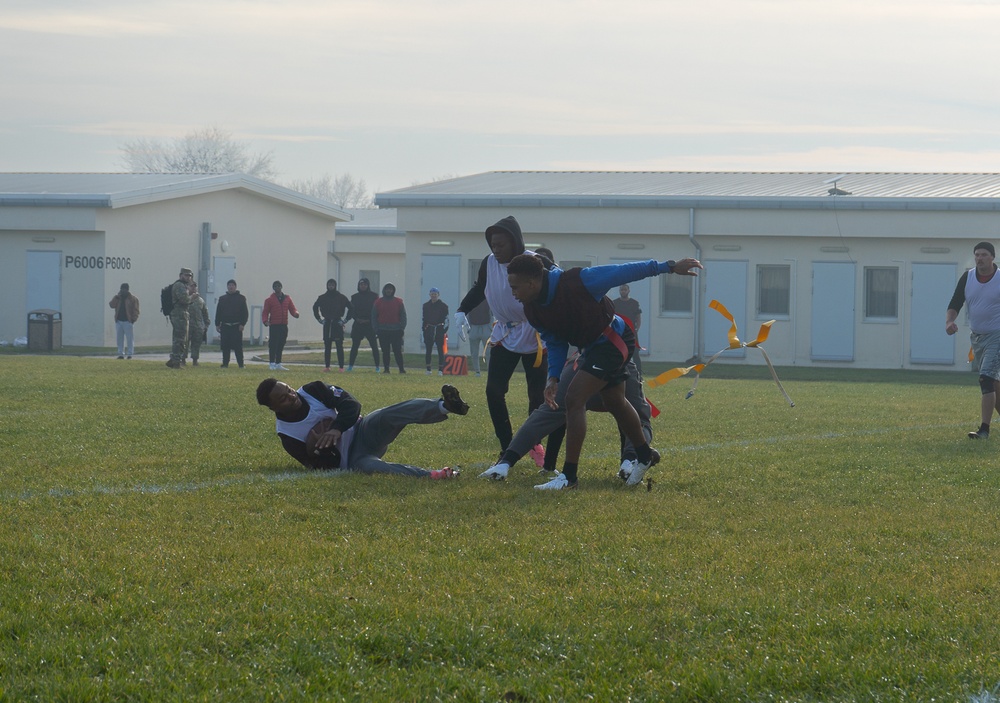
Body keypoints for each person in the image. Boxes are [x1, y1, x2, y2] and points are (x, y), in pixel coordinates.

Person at [506, 252, 703, 489]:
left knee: (573, 398)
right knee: (614, 401)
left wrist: (669, 267)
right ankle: (643, 455)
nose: (512, 293)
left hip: (614, 340)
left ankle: (569, 477)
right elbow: (556, 342)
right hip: (593, 347)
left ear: (532, 283)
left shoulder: (580, 280)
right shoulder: (532, 309)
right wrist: (554, 377)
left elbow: (625, 271)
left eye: (515, 287)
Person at [454, 216, 550, 464]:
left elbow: (558, 282)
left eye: (501, 245)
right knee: (493, 392)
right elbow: (479, 288)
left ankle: (534, 443)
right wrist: (461, 310)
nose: (496, 250)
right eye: (492, 245)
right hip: (504, 334)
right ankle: (507, 447)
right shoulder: (489, 263)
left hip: (535, 334)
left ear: (515, 243)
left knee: (537, 396)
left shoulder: (535, 261)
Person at [480, 355, 652, 481]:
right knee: (554, 409)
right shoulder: (546, 313)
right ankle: (631, 460)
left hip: (598, 361)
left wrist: (555, 375)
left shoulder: (557, 311)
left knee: (552, 411)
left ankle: (630, 460)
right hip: (595, 361)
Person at [256, 378, 468, 478]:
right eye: (283, 399)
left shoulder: (313, 390)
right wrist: (320, 449)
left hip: (363, 430)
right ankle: (433, 475)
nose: (292, 397)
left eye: (290, 390)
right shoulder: (288, 435)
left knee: (388, 414)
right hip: (353, 459)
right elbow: (320, 468)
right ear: (272, 408)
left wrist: (336, 428)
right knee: (370, 467)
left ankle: (444, 406)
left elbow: (351, 404)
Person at [946, 241, 1000, 439]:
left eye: (984, 254)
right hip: (977, 337)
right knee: (993, 384)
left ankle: (984, 430)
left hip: (997, 336)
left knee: (986, 378)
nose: (979, 258)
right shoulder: (967, 277)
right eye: (977, 255)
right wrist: (949, 321)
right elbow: (955, 302)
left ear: (992, 257)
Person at [313, 278, 352, 372]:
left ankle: (341, 367)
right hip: (327, 324)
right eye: (329, 285)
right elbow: (315, 307)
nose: (331, 286)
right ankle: (327, 366)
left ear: (335, 286)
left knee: (339, 346)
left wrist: (345, 320)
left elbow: (351, 308)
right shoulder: (322, 297)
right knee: (327, 346)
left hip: (337, 323)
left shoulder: (341, 297)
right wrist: (319, 319)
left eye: (332, 285)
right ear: (327, 286)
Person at [262, 280, 300, 371]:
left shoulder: (287, 298)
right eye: (275, 287)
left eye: (278, 286)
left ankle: (278, 363)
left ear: (281, 287)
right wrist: (265, 321)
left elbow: (292, 309)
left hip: (283, 325)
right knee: (273, 345)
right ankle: (272, 363)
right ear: (273, 288)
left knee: (281, 344)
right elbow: (265, 312)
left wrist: (295, 314)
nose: (277, 288)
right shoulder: (269, 300)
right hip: (274, 325)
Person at [372, 282, 406, 374]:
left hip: (396, 330)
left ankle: (401, 369)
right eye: (387, 289)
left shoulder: (399, 302)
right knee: (385, 352)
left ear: (393, 290)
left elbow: (403, 315)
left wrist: (402, 328)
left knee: (397, 351)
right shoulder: (378, 302)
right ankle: (386, 369)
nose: (388, 291)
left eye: (390, 289)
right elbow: (374, 316)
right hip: (383, 330)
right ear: (384, 290)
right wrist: (376, 329)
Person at [347, 277, 380, 372]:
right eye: (361, 284)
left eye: (365, 284)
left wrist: (369, 320)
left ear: (368, 285)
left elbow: (376, 311)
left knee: (374, 346)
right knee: (354, 346)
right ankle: (350, 366)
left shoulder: (374, 296)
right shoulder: (354, 297)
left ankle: (377, 367)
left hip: (370, 325)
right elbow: (352, 310)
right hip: (358, 324)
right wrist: (357, 319)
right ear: (359, 286)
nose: (363, 286)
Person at [215, 279, 249, 368]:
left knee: (238, 347)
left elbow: (245, 313)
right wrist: (217, 324)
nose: (231, 287)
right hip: (225, 326)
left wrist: (242, 324)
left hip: (236, 326)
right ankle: (225, 364)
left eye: (232, 285)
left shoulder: (241, 298)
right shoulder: (222, 299)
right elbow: (218, 312)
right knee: (225, 347)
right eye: (229, 285)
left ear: (235, 287)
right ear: (227, 287)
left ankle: (241, 364)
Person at [613, 284, 643, 375]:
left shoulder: (634, 303)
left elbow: (638, 318)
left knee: (635, 354)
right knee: (617, 353)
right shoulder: (615, 303)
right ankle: (617, 371)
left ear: (628, 291)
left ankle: (639, 374)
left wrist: (636, 329)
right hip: (619, 333)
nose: (623, 291)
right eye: (621, 290)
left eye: (625, 290)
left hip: (631, 332)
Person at [166, 267, 193, 369]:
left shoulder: (183, 285)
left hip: (180, 314)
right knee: (180, 339)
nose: (188, 277)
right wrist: (192, 297)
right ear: (181, 275)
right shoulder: (179, 285)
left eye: (189, 276)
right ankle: (176, 361)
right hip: (179, 314)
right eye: (186, 275)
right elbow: (184, 300)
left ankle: (173, 359)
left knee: (179, 338)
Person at [108, 283, 139, 359]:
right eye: (121, 289)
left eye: (124, 289)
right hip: (119, 321)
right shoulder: (118, 298)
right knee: (119, 339)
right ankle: (120, 354)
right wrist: (116, 297)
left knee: (129, 339)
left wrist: (133, 320)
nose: (122, 291)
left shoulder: (133, 299)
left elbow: (136, 310)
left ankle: (130, 354)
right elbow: (111, 305)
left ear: (127, 290)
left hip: (128, 321)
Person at [422, 287, 449, 375]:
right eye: (432, 294)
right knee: (428, 350)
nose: (433, 296)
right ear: (430, 295)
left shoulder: (443, 306)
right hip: (429, 329)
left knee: (440, 350)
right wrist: (424, 329)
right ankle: (428, 369)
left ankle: (440, 370)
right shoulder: (426, 306)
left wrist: (444, 330)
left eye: (435, 294)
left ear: (438, 295)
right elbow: (424, 319)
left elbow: (447, 319)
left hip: (439, 329)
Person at [463, 299, 492, 377]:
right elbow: (467, 315)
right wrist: (469, 328)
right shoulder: (471, 301)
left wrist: (490, 328)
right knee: (474, 352)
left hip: (485, 327)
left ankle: (490, 371)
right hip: (474, 327)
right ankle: (477, 372)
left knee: (489, 352)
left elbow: (491, 314)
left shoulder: (488, 301)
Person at [185, 281, 210, 366]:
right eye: (191, 286)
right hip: (187, 325)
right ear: (188, 288)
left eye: (195, 287)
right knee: (185, 343)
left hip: (198, 325)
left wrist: (206, 324)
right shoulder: (186, 298)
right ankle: (183, 359)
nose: (193, 288)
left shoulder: (200, 300)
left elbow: (205, 312)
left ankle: (195, 360)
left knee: (196, 344)